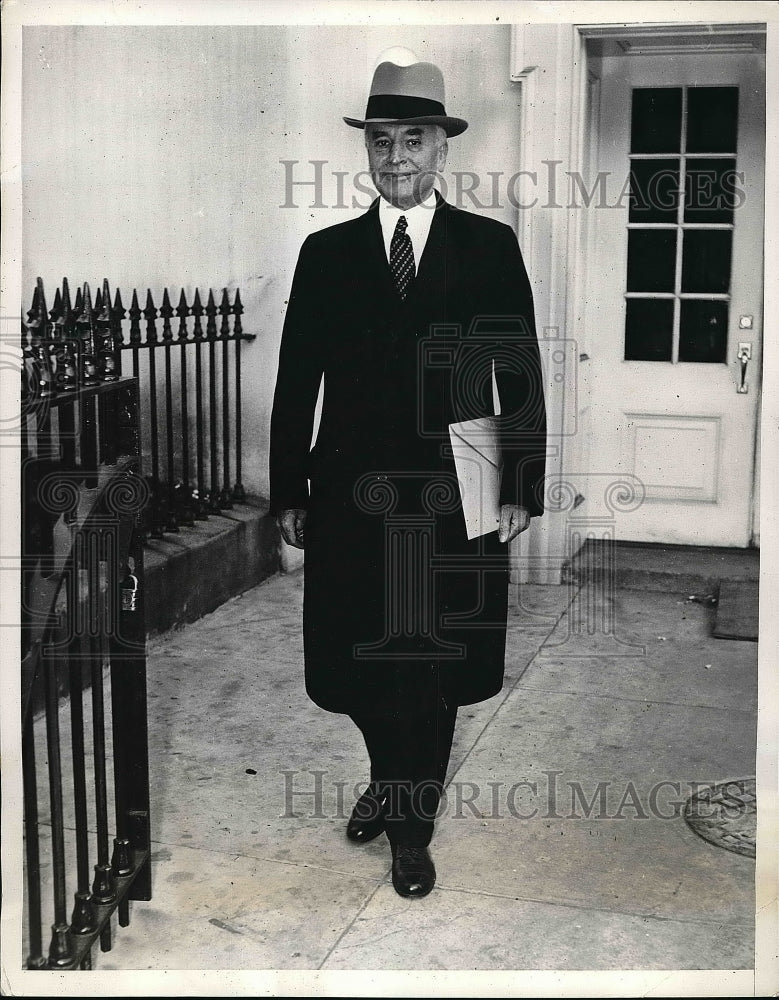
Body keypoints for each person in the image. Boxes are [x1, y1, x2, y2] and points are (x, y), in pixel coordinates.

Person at [269, 55, 547, 898]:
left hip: (457, 486)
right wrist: (288, 491)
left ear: (441, 151)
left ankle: (410, 831)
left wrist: (521, 485)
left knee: (432, 665)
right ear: (367, 151)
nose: (395, 158)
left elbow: (520, 370)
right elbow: (295, 381)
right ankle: (390, 779)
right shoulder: (326, 254)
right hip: (352, 491)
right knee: (358, 660)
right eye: (382, 141)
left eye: (413, 141)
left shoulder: (488, 247)